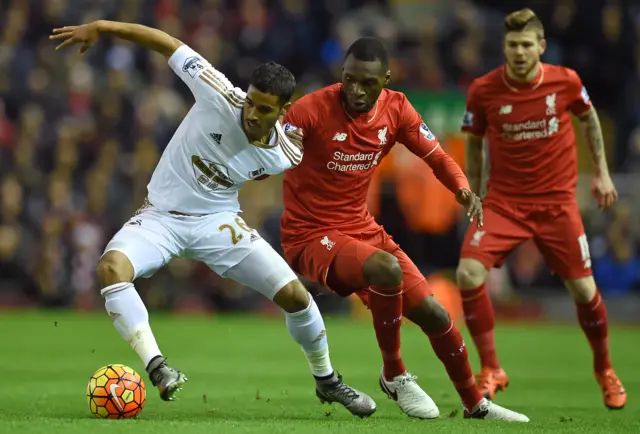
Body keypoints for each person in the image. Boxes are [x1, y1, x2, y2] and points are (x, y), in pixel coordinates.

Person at [50, 20, 376, 417]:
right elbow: (166, 42)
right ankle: (158, 367)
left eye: (264, 108)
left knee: (296, 297)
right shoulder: (218, 90)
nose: (252, 112)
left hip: (218, 223)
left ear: (283, 110)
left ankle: (328, 381)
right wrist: (101, 27)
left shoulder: (285, 153)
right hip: (162, 218)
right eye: (251, 102)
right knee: (111, 268)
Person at [280, 36, 529, 422]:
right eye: (349, 79)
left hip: (359, 228)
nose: (356, 90)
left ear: (387, 79)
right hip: (310, 234)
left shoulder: (397, 109)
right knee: (386, 269)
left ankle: (475, 405)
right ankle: (393, 372)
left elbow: (437, 156)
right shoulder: (309, 110)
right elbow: (268, 155)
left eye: (368, 82)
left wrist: (463, 189)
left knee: (434, 313)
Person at [456, 8, 627, 410]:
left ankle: (604, 369)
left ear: (541, 47)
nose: (519, 52)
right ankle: (492, 367)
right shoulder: (483, 90)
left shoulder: (565, 81)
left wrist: (601, 172)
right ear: (504, 47)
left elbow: (589, 121)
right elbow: (475, 144)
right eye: (512, 45)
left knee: (584, 290)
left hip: (556, 203)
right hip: (504, 202)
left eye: (526, 45)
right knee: (467, 272)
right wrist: (473, 192)